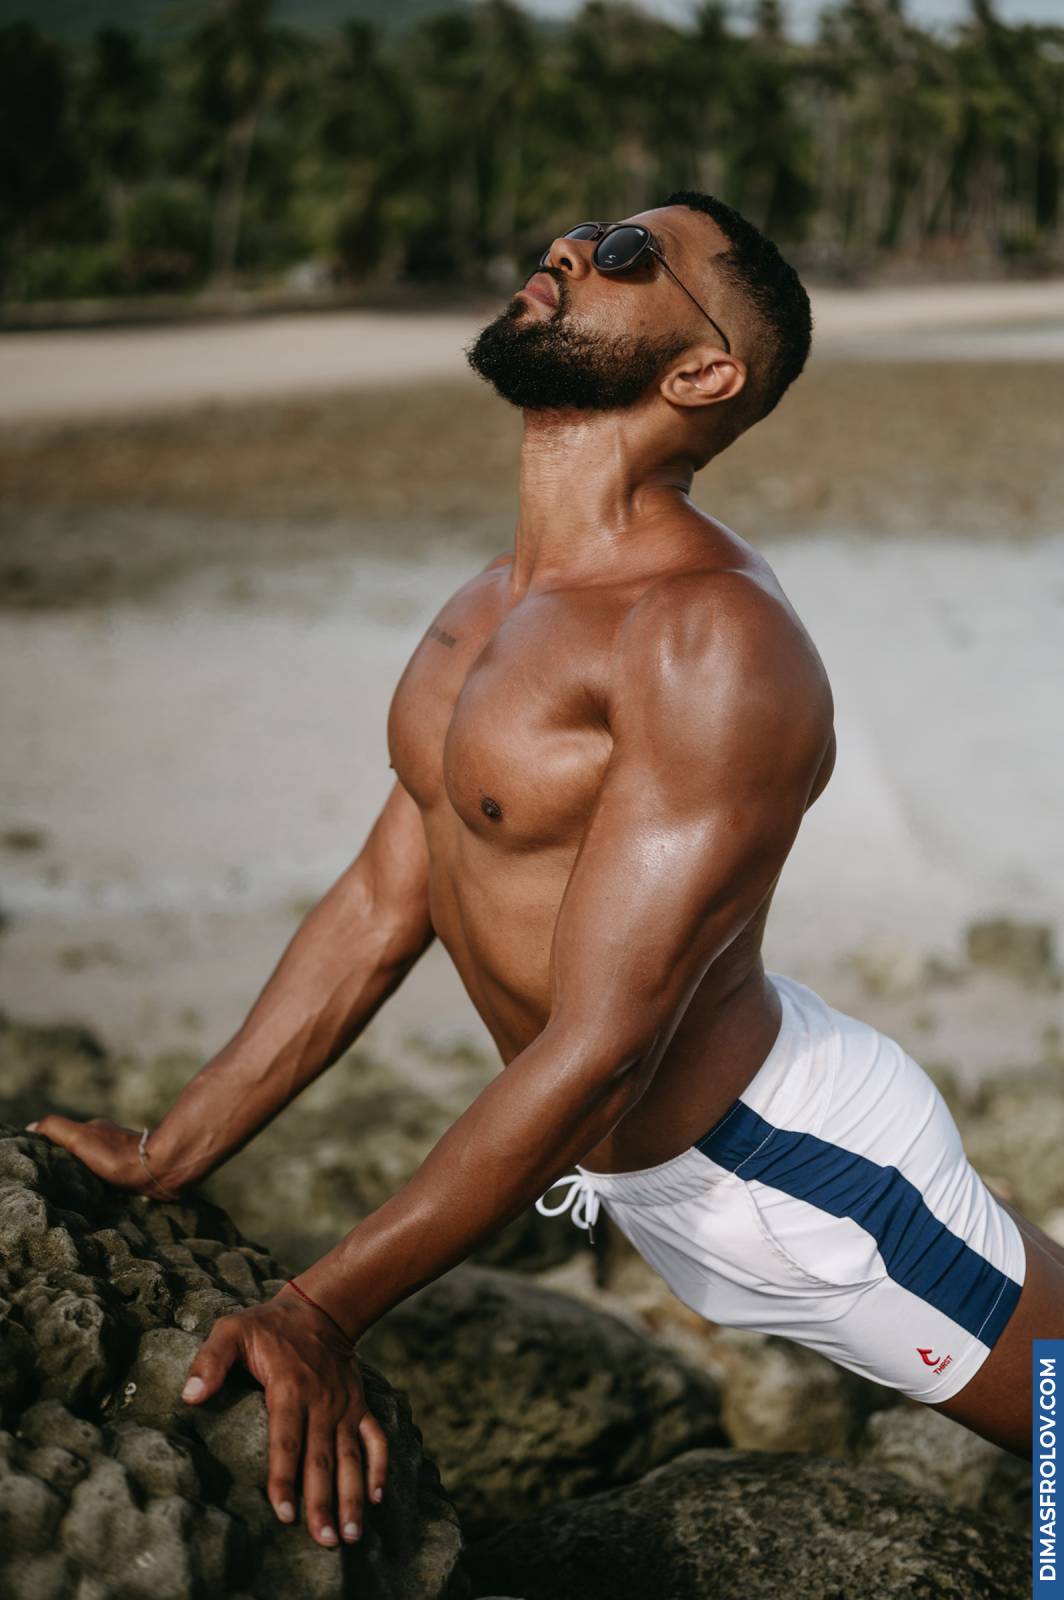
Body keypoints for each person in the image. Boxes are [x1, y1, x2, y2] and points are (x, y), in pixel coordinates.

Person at [26, 192, 1064, 1554]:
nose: (572, 249)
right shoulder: (491, 604)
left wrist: (321, 1311)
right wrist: (174, 1147)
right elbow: (382, 901)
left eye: (630, 255)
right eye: (584, 230)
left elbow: (601, 1046)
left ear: (703, 373)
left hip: (793, 1171)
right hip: (647, 1169)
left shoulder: (708, 639)